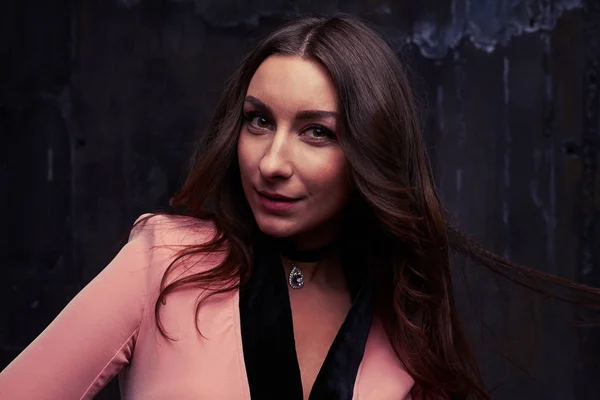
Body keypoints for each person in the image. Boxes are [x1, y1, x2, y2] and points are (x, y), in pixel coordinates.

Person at [1, 14, 598, 400]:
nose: (271, 161)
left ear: (370, 152)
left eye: (316, 132)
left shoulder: (406, 330)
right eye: (259, 121)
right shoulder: (166, 261)